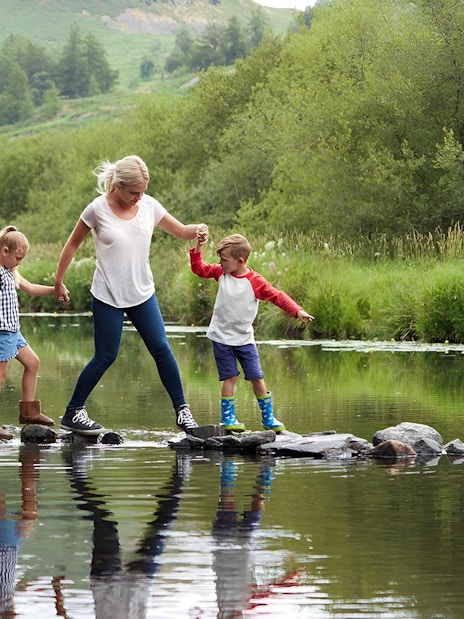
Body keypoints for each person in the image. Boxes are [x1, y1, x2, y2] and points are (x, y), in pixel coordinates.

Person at [54, 155, 209, 436]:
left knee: (162, 349)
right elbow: (72, 245)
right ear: (118, 185)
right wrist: (58, 280)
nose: (139, 197)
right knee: (106, 355)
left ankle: (183, 413)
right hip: (107, 294)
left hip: (142, 293)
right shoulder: (96, 209)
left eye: (143, 191)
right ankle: (73, 412)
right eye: (134, 192)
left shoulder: (148, 206)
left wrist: (197, 230)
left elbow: (180, 230)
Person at [190, 233, 314, 432]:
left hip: (245, 339)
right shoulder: (220, 273)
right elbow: (198, 268)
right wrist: (198, 246)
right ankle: (228, 419)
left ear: (240, 261)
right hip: (221, 338)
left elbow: (277, 296)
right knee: (229, 377)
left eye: (224, 259)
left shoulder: (255, 281)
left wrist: (297, 310)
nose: (220, 263)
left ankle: (268, 418)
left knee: (257, 377)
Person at [0, 226, 66, 439]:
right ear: (4, 251)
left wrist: (55, 290)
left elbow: (29, 287)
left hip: (13, 331)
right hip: (1, 332)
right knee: (0, 376)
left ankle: (29, 413)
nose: (20, 262)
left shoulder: (11, 272)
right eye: (18, 258)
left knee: (33, 363)